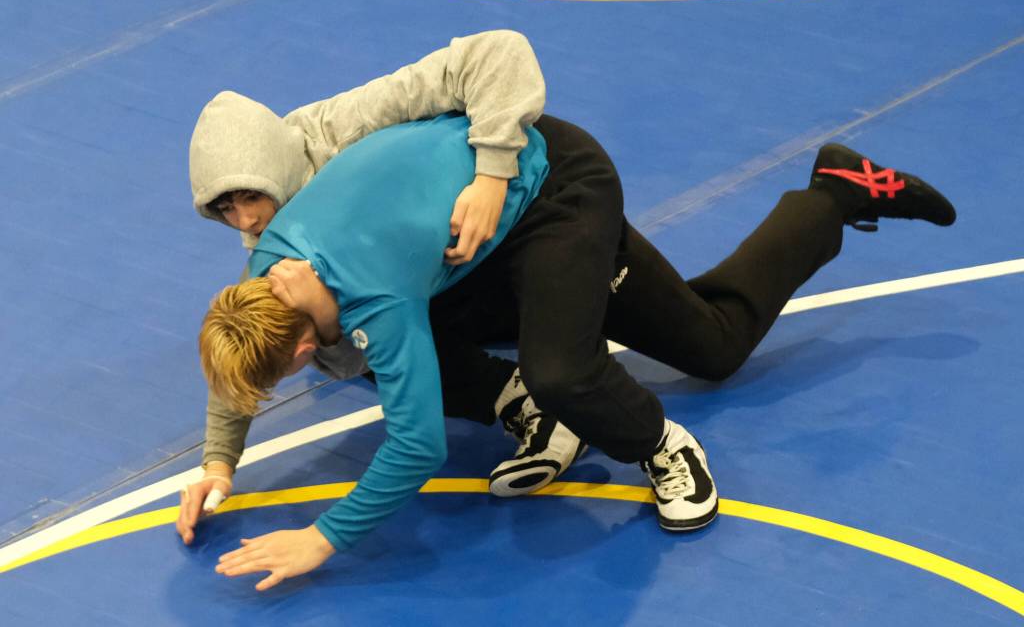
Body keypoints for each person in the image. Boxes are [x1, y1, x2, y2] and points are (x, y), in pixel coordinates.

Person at [198, 111, 956, 591]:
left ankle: (662, 445)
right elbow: (237, 356)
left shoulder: (373, 296)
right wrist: (218, 462)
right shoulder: (266, 275)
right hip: (480, 245)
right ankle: (835, 189)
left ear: (299, 350)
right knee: (713, 342)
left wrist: (320, 538)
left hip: (556, 188)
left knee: (563, 371)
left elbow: (418, 443)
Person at [177, 30, 587, 547]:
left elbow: (496, 51)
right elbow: (239, 346)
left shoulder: (344, 129)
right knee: (352, 340)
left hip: (524, 201)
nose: (247, 220)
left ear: (273, 169)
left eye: (248, 199)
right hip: (432, 263)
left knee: (699, 347)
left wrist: (492, 174)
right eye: (225, 210)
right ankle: (514, 395)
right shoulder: (277, 253)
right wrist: (218, 464)